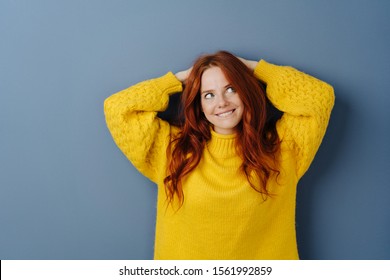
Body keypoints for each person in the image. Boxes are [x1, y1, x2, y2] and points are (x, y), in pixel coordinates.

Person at [104, 50, 335, 259]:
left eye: (231, 89)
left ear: (246, 91)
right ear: (200, 105)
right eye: (209, 95)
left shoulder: (284, 147)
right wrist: (177, 80)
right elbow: (118, 108)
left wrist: (255, 68)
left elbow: (319, 97)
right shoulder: (171, 149)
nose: (222, 103)